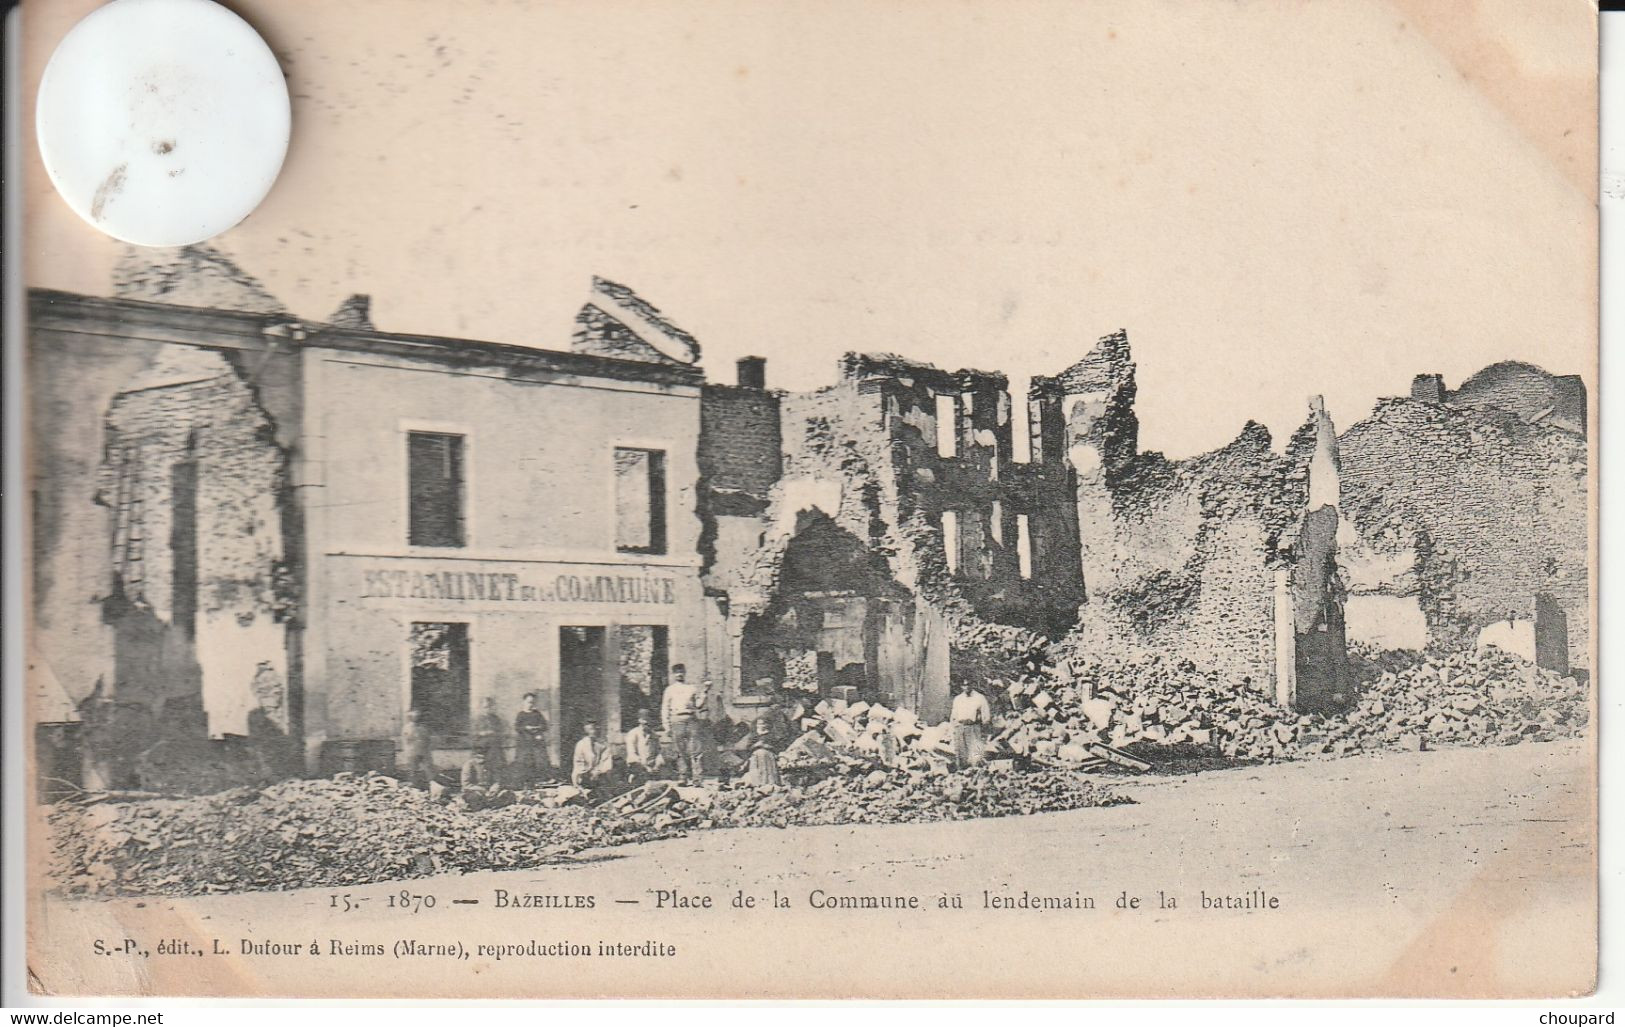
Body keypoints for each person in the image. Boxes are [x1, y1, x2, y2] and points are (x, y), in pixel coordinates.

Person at [659, 663, 702, 783]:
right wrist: (666, 726)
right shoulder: (669, 690)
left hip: (691, 719)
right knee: (679, 750)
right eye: (677, 672)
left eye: (681, 672)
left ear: (685, 673)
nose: (679, 674)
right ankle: (683, 776)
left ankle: (697, 777)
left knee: (695, 749)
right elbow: (665, 708)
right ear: (673, 674)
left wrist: (705, 692)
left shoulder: (692, 688)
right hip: (676, 720)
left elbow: (698, 705)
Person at [949, 678, 992, 768]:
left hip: (973, 727)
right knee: (960, 751)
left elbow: (985, 714)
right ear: (961, 687)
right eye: (964, 685)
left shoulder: (979, 698)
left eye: (969, 685)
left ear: (972, 685)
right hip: (960, 727)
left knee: (975, 750)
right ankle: (962, 771)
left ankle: (975, 769)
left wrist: (983, 726)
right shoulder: (958, 699)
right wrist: (954, 727)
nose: (967, 687)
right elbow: (954, 715)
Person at [571, 719, 616, 801]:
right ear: (586, 730)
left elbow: (606, 760)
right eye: (591, 729)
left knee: (605, 794)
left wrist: (598, 771)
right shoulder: (581, 745)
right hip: (584, 776)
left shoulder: (603, 744)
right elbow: (579, 762)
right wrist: (587, 773)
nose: (594, 731)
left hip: (599, 775)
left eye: (595, 729)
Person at [511, 692, 550, 787]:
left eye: (532, 702)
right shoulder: (521, 714)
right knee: (525, 762)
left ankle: (539, 781)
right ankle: (525, 782)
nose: (530, 704)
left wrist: (537, 728)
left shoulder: (537, 714)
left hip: (536, 742)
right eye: (528, 702)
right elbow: (517, 727)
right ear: (524, 702)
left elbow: (545, 726)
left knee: (539, 761)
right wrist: (526, 728)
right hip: (524, 743)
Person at [741, 716, 782, 787]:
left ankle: (770, 784)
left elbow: (778, 747)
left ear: (767, 725)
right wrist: (756, 745)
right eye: (758, 724)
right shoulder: (754, 736)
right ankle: (758, 784)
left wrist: (767, 746)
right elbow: (748, 748)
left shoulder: (771, 735)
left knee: (768, 769)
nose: (760, 726)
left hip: (768, 755)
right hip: (756, 756)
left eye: (763, 724)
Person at [623, 708, 661, 785]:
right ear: (639, 721)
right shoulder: (633, 734)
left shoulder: (654, 735)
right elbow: (632, 754)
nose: (647, 725)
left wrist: (657, 765)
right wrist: (645, 767)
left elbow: (659, 752)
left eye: (649, 723)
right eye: (645, 723)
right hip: (637, 765)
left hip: (652, 766)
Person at [400, 707, 435, 789]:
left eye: (418, 716)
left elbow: (428, 739)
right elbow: (405, 741)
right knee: (413, 770)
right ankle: (414, 786)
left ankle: (432, 785)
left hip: (424, 751)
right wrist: (407, 752)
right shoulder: (407, 728)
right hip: (412, 752)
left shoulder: (423, 728)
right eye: (415, 717)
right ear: (411, 718)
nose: (417, 718)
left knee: (429, 768)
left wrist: (427, 749)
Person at [472, 696, 507, 772]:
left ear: (492, 707)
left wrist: (494, 732)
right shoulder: (478, 719)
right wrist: (482, 733)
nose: (487, 709)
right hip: (481, 744)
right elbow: (474, 733)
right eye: (485, 707)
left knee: (496, 752)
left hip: (494, 743)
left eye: (489, 707)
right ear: (481, 708)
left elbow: (500, 731)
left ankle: (496, 772)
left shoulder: (495, 718)